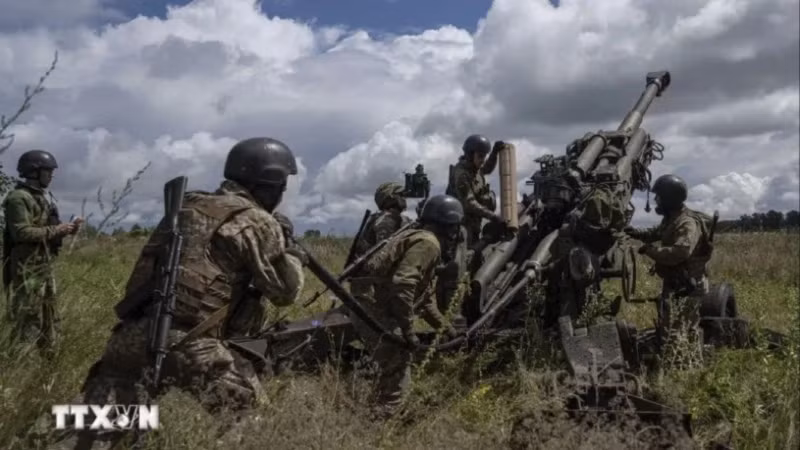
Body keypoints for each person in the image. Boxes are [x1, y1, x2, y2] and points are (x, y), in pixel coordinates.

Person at [75, 137, 307, 444]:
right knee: (252, 420)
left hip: (130, 336)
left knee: (96, 429)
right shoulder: (257, 221)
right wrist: (293, 255)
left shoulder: (186, 205)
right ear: (272, 184)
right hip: (192, 343)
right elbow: (285, 293)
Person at [348, 194, 463, 419]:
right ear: (451, 227)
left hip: (369, 301)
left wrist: (447, 330)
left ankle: (385, 407)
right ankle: (388, 415)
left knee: (395, 357)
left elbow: (425, 299)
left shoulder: (420, 238)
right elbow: (403, 284)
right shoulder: (429, 244)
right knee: (397, 355)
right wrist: (408, 332)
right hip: (371, 305)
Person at [2, 149, 82, 357]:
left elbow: (47, 235)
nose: (51, 176)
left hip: (43, 265)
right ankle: (22, 364)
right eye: (48, 171)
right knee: (28, 316)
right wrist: (57, 229)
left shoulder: (42, 199)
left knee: (49, 314)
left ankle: (46, 359)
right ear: (34, 171)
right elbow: (21, 232)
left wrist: (68, 229)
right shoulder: (19, 198)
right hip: (27, 268)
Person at [624, 174, 714, 336]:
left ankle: (687, 359)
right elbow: (657, 233)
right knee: (670, 327)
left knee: (682, 330)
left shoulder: (687, 223)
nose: (656, 200)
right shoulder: (672, 219)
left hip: (688, 286)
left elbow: (680, 253)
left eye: (659, 197)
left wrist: (650, 250)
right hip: (676, 282)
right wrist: (636, 233)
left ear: (669, 199)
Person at [445, 134, 506, 247]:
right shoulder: (462, 174)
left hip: (474, 222)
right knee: (466, 252)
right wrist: (492, 216)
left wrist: (494, 153)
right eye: (480, 156)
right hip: (462, 225)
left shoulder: (474, 169)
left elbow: (487, 168)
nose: (483, 160)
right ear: (470, 154)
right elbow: (469, 203)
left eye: (484, 156)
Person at [352, 182, 412, 259]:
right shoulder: (386, 220)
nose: (404, 198)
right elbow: (385, 254)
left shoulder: (398, 218)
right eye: (401, 195)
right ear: (391, 197)